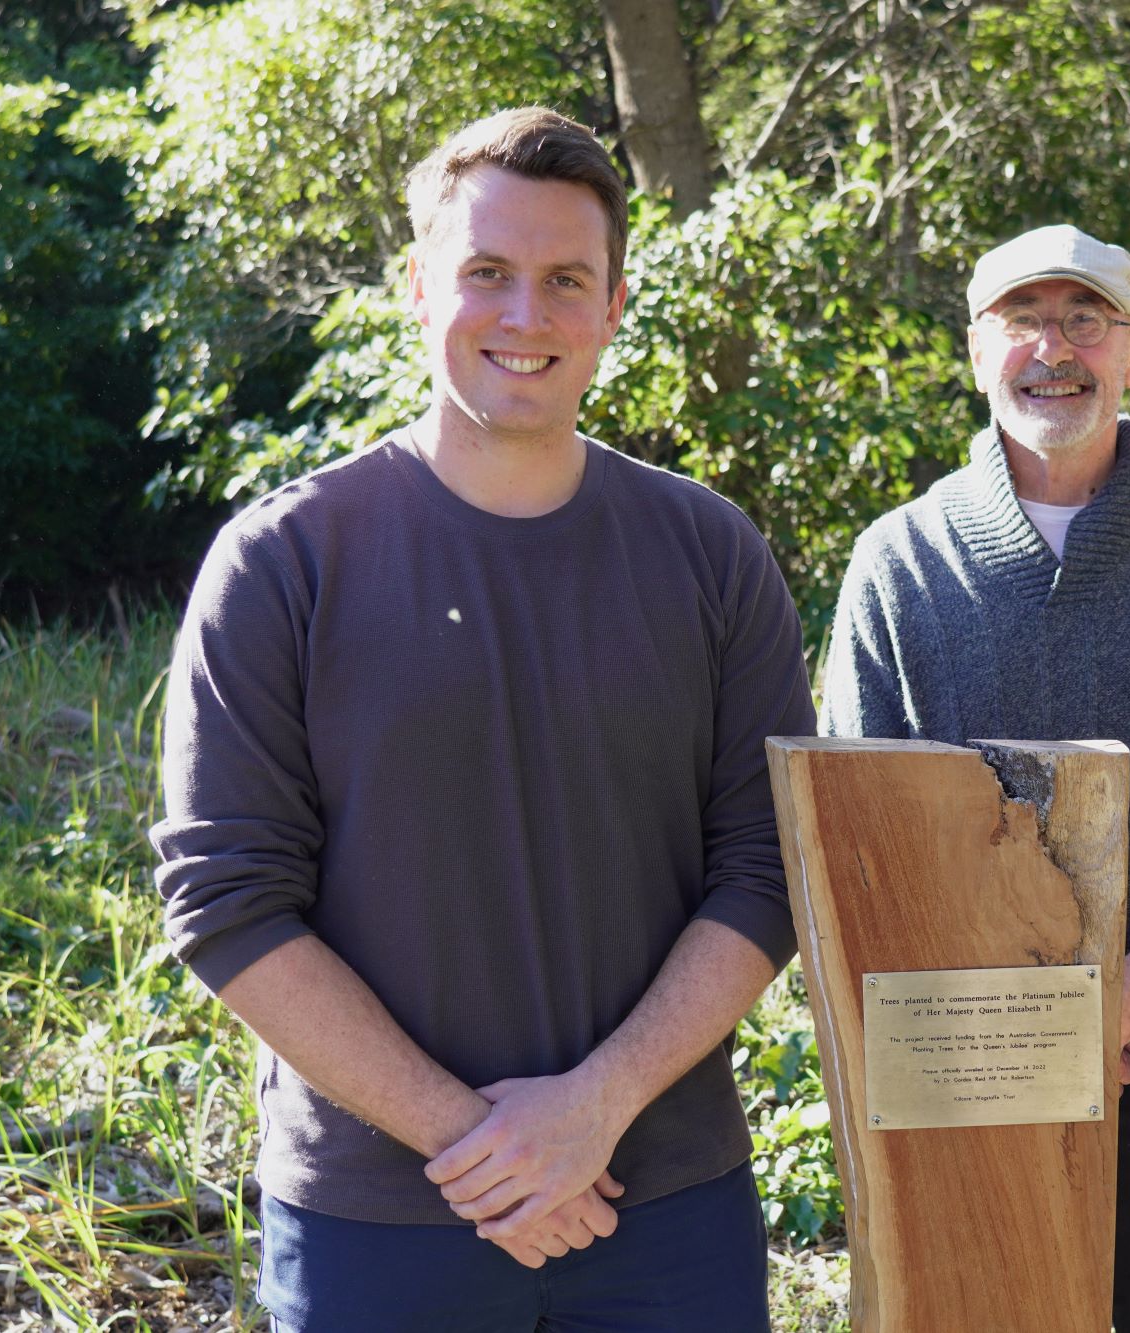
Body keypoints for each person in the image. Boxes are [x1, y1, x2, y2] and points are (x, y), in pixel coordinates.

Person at [149, 107, 814, 1332]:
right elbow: (228, 899)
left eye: (565, 280)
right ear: (417, 286)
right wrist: (482, 1144)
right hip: (375, 1223)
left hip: (665, 1209)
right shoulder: (283, 562)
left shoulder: (711, 554)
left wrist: (593, 1107)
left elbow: (768, 868)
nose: (525, 313)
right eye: (486, 272)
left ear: (613, 306)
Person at [821, 223, 1130, 1332]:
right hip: (955, 1071)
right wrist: (1028, 1026)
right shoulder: (897, 564)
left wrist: (1118, 999)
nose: (1053, 349)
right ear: (975, 347)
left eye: (1085, 320)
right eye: (1022, 320)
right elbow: (856, 847)